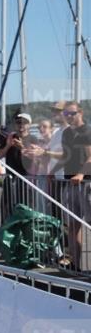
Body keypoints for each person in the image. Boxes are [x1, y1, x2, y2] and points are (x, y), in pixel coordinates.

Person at [59, 102, 91, 270]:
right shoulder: (66, 133)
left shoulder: (87, 131)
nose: (69, 117)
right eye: (66, 114)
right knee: (72, 226)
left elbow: (90, 157)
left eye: (72, 113)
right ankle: (75, 264)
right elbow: (65, 156)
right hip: (70, 183)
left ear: (81, 113)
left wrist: (81, 174)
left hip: (86, 183)